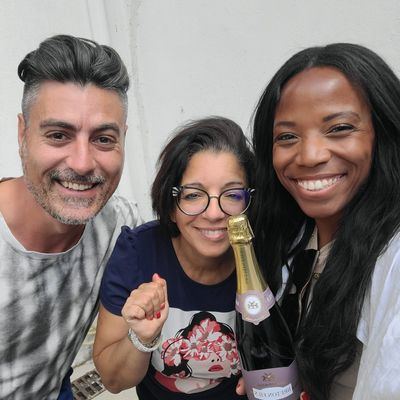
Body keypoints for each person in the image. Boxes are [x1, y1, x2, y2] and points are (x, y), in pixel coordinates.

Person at [241, 43, 400, 400]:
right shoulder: (293, 239)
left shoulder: (393, 258)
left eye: (339, 128)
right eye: (287, 136)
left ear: (384, 134)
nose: (310, 156)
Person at [0, 34, 140, 399]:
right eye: (59, 135)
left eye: (103, 139)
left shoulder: (119, 226)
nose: (82, 163)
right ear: (22, 134)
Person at [93, 117, 254, 399]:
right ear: (170, 206)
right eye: (193, 195)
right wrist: (141, 337)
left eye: (231, 194)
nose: (214, 213)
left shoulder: (266, 255)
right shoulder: (138, 252)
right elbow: (113, 380)